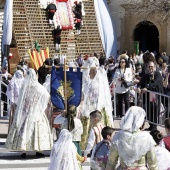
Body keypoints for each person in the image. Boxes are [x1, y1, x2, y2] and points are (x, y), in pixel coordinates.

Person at [5, 68, 53, 158]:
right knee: (36, 130)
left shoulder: (25, 87)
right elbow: (47, 95)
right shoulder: (38, 87)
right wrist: (39, 103)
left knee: (24, 130)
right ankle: (38, 149)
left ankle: (24, 149)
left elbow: (21, 100)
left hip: (26, 112)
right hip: (36, 111)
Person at [138, 61, 164, 130]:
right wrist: (138, 87)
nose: (150, 68)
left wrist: (147, 87)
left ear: (154, 67)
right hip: (147, 96)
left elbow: (155, 83)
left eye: (152, 67)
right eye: (149, 67)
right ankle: (151, 125)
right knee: (149, 110)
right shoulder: (146, 75)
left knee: (155, 110)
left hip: (154, 95)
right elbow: (141, 82)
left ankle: (154, 127)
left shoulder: (157, 74)